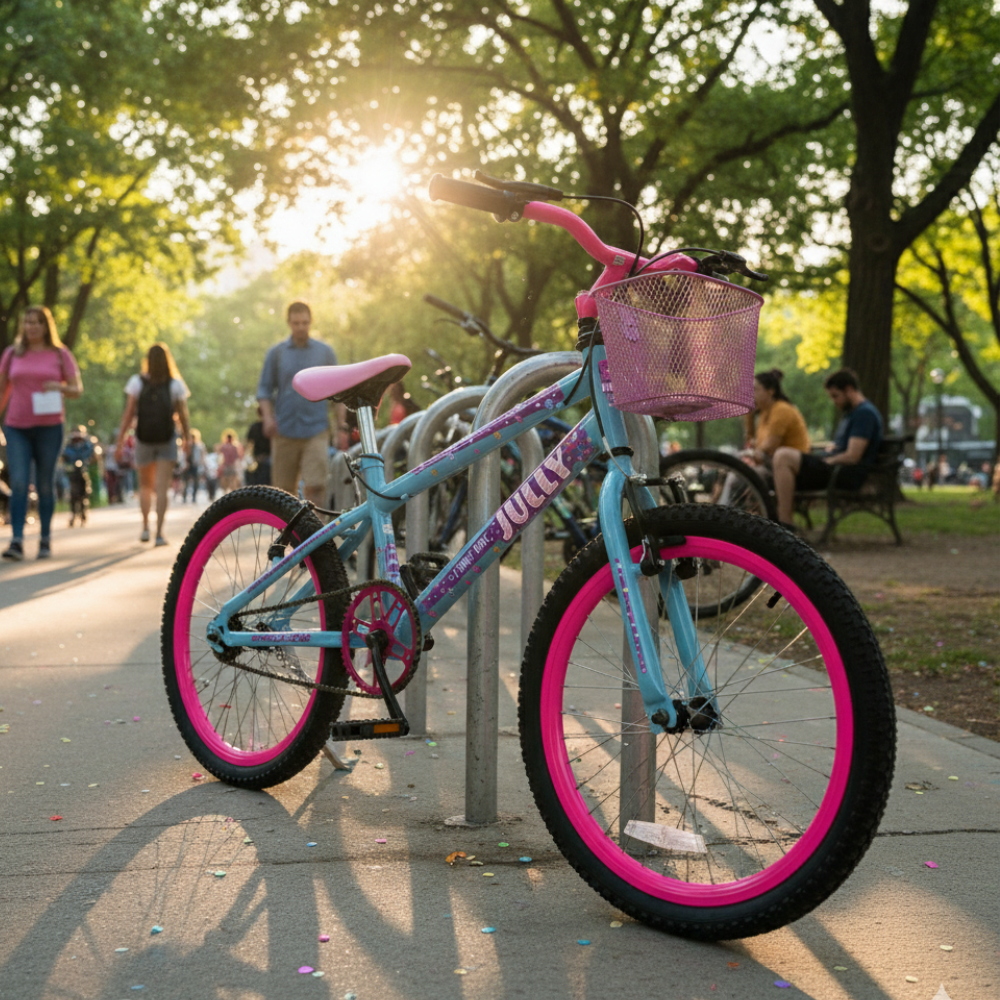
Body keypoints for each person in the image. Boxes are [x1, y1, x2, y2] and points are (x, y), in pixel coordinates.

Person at [0, 305, 84, 560]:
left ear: (46, 325)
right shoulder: (12, 354)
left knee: (46, 484)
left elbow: (77, 389)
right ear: (22, 326)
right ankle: (16, 540)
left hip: (50, 426)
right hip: (16, 425)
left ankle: (45, 538)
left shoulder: (60, 354)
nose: (32, 326)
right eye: (27, 322)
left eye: (37, 322)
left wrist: (58, 387)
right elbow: (2, 389)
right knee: (19, 482)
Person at [256, 301, 348, 507]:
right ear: (289, 322)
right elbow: (264, 390)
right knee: (282, 492)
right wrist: (268, 419)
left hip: (316, 429)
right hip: (284, 430)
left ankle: (318, 536)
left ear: (310, 322)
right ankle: (289, 537)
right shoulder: (276, 353)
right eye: (296, 323)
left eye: (304, 322)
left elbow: (338, 392)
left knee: (316, 486)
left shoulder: (325, 352)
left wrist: (341, 426)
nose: (301, 327)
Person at [772, 367, 883, 528]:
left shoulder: (864, 414)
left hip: (844, 473)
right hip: (835, 469)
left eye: (835, 396)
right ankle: (774, 522)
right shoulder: (853, 413)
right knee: (772, 466)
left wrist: (827, 460)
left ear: (849, 390)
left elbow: (853, 455)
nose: (834, 401)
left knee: (783, 456)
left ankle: (785, 523)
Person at [115, 342, 191, 547]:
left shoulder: (137, 382)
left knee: (145, 486)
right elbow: (183, 415)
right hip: (167, 439)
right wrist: (187, 439)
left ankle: (145, 527)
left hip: (144, 439)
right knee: (162, 487)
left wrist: (120, 441)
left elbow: (129, 413)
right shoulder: (175, 384)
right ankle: (159, 533)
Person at [745, 369, 810, 465]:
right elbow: (754, 444)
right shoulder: (764, 412)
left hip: (791, 466)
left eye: (755, 389)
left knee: (737, 477)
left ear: (770, 391)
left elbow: (770, 447)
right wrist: (748, 417)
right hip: (772, 464)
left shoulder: (781, 409)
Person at [62, 425, 95, 527]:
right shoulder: (69, 446)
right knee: (73, 494)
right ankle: (73, 514)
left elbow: (91, 455)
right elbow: (65, 456)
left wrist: (85, 461)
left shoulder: (87, 445)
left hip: (83, 471)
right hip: (73, 472)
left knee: (85, 493)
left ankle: (83, 513)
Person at [244, 405, 272, 486]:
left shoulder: (254, 427)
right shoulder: (273, 427)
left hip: (259, 459)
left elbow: (249, 445)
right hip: (268, 459)